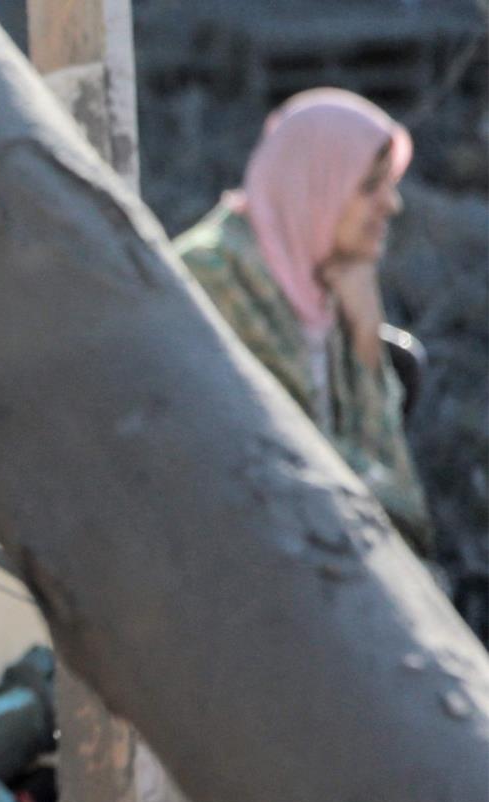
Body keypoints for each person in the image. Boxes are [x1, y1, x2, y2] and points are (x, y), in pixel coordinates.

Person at [175, 88, 434, 554]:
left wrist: (365, 341)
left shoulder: (322, 284)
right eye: (370, 185)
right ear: (315, 183)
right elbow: (290, 458)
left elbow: (397, 494)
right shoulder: (212, 278)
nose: (391, 205)